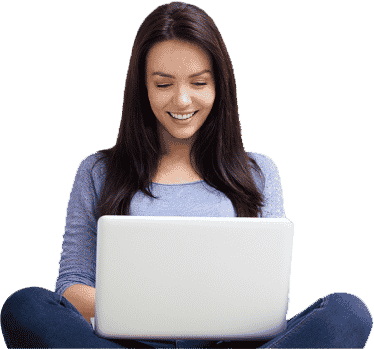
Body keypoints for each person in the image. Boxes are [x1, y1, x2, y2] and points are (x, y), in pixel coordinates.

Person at [1, 1, 372, 348]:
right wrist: (156, 307)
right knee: (26, 307)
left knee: (347, 312)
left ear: (219, 86)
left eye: (199, 83)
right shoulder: (98, 171)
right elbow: (71, 287)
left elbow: (270, 297)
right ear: (142, 88)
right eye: (163, 84)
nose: (182, 101)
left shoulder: (258, 172)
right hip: (129, 343)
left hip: (232, 344)